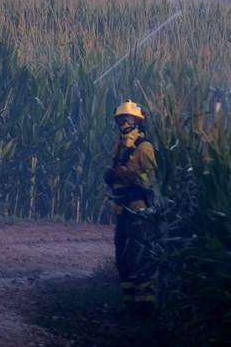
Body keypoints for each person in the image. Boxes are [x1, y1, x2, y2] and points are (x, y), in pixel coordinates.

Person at [103, 99, 157, 316]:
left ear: (138, 121)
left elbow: (152, 180)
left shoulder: (144, 147)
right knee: (123, 259)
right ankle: (129, 307)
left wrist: (133, 176)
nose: (124, 122)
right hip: (121, 209)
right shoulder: (119, 147)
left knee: (139, 258)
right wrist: (111, 176)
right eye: (121, 119)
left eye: (128, 118)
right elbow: (114, 175)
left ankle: (144, 310)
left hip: (138, 211)